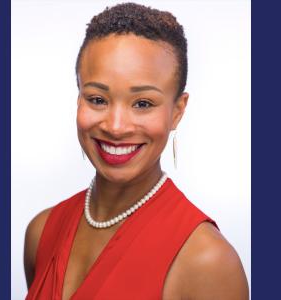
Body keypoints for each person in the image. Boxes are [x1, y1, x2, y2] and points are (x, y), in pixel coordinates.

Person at [24, 3, 249, 299]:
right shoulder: (41, 232)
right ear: (78, 98)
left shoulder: (206, 262)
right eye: (97, 98)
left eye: (143, 103)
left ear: (177, 111)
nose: (116, 127)